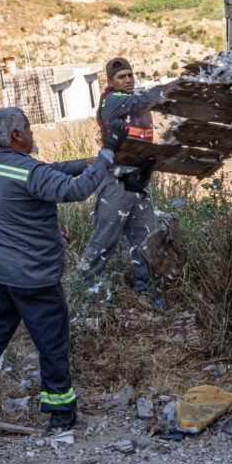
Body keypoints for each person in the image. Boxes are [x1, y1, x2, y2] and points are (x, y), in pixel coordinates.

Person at [0, 107, 127, 435]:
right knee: (52, 343)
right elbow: (72, 191)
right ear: (17, 135)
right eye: (29, 128)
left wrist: (83, 164)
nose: (32, 133)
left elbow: (42, 173)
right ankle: (61, 412)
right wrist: (104, 157)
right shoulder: (27, 172)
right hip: (34, 277)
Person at [79, 57, 172, 308]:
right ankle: (83, 293)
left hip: (139, 179)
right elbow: (142, 99)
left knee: (146, 237)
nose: (128, 80)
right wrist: (178, 84)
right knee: (104, 239)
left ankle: (147, 293)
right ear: (110, 82)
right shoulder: (112, 101)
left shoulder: (136, 100)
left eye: (131, 75)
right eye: (122, 77)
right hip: (117, 180)